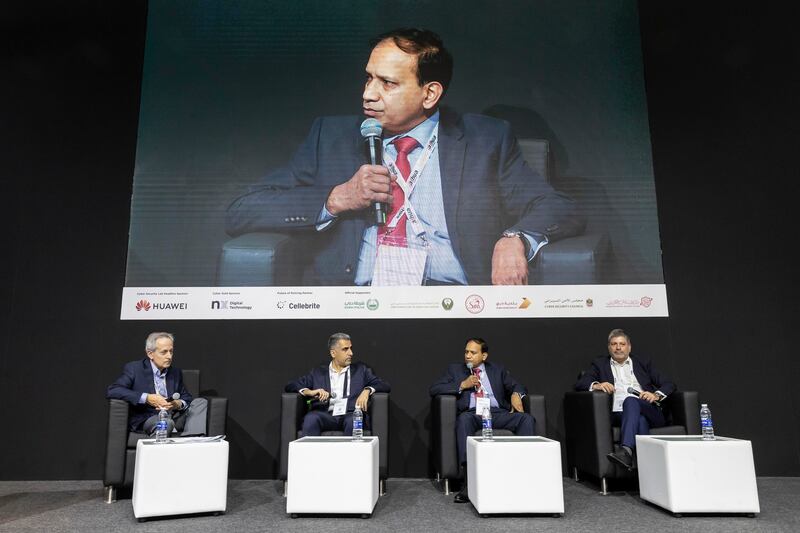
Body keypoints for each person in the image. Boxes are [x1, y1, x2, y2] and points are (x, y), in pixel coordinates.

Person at [226, 27, 584, 286]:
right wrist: (336, 199)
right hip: (355, 304)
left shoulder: (484, 140)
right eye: (368, 79)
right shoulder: (330, 137)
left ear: (429, 94)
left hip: (452, 301)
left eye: (387, 84)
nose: (368, 94)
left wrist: (515, 238)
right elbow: (242, 210)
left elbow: (559, 207)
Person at [429, 338, 535, 503]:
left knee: (526, 419)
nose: (468, 356)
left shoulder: (497, 369)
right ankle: (469, 483)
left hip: (497, 412)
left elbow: (518, 386)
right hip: (473, 414)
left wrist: (516, 394)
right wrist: (462, 385)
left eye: (473, 352)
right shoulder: (455, 370)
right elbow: (434, 388)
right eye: (466, 352)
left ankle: (526, 477)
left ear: (484, 356)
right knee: (463, 420)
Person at [574, 328, 675, 470]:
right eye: (614, 344)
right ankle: (647, 470)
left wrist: (655, 395)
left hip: (649, 409)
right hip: (618, 414)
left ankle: (626, 450)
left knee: (631, 400)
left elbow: (669, 384)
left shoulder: (642, 362)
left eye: (622, 344)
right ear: (609, 347)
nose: (618, 347)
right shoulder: (600, 364)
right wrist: (598, 385)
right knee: (640, 420)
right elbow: (581, 383)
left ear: (629, 347)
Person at [285, 333, 390, 436]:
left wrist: (367, 390)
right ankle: (310, 453)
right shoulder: (318, 372)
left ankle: (349, 454)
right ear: (333, 353)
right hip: (325, 414)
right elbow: (291, 385)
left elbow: (384, 385)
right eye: (345, 349)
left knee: (354, 420)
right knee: (311, 418)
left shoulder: (361, 370)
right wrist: (310, 392)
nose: (351, 353)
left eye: (350, 348)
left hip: (350, 413)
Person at [106, 332, 207, 436]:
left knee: (200, 402)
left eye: (171, 352)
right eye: (164, 352)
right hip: (149, 419)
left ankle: (192, 440)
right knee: (165, 423)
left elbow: (186, 397)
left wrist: (178, 404)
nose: (169, 356)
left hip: (174, 417)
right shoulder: (135, 369)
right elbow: (113, 390)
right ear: (150, 354)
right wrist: (147, 398)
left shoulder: (175, 372)